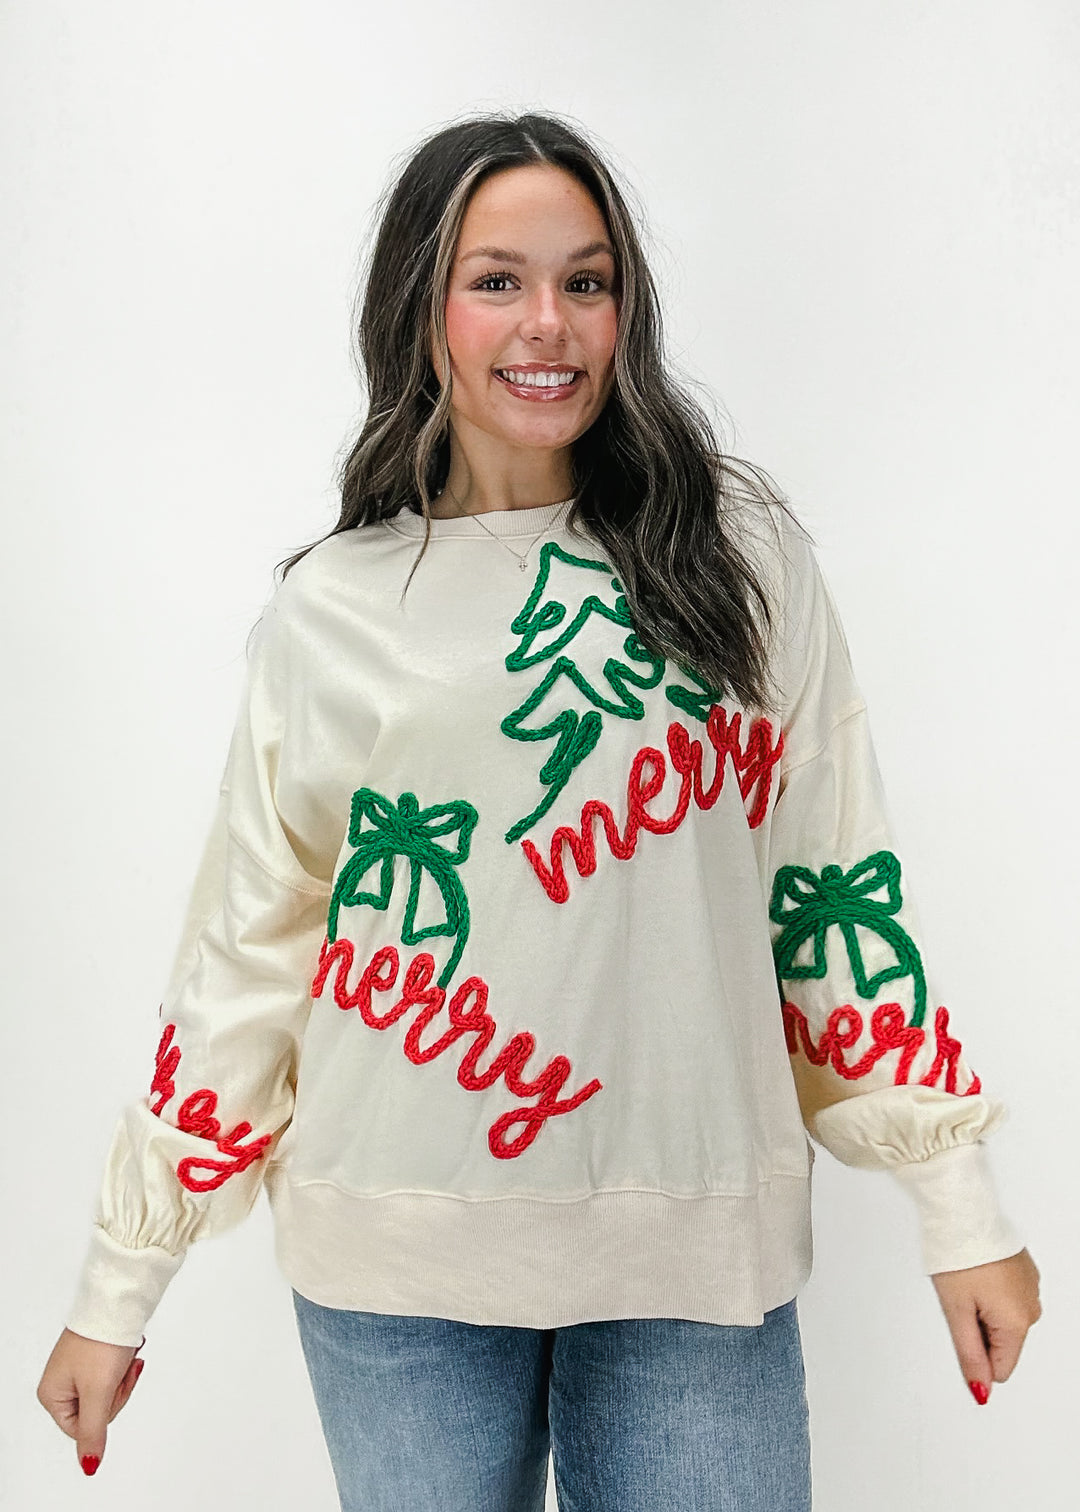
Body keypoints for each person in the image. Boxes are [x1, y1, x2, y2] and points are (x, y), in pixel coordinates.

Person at [37, 111, 1041, 1510]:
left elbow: (831, 884)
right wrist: (118, 1284)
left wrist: (959, 1207)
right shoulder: (334, 608)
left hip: (692, 1257)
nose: (549, 323)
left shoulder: (734, 554)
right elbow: (250, 952)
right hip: (396, 1265)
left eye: (589, 279)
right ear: (424, 308)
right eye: (497, 278)